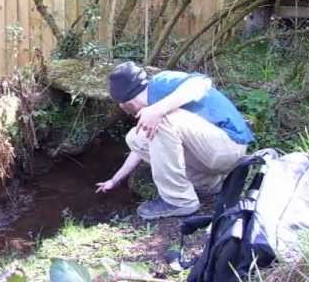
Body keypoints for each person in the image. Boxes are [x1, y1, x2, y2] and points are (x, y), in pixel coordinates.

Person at [96, 61, 254, 220]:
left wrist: (159, 110)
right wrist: (114, 180)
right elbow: (140, 149)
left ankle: (179, 201)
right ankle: (209, 184)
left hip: (230, 146)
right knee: (136, 138)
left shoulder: (161, 83)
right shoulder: (152, 109)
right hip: (211, 154)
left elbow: (201, 83)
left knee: (161, 121)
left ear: (127, 104)